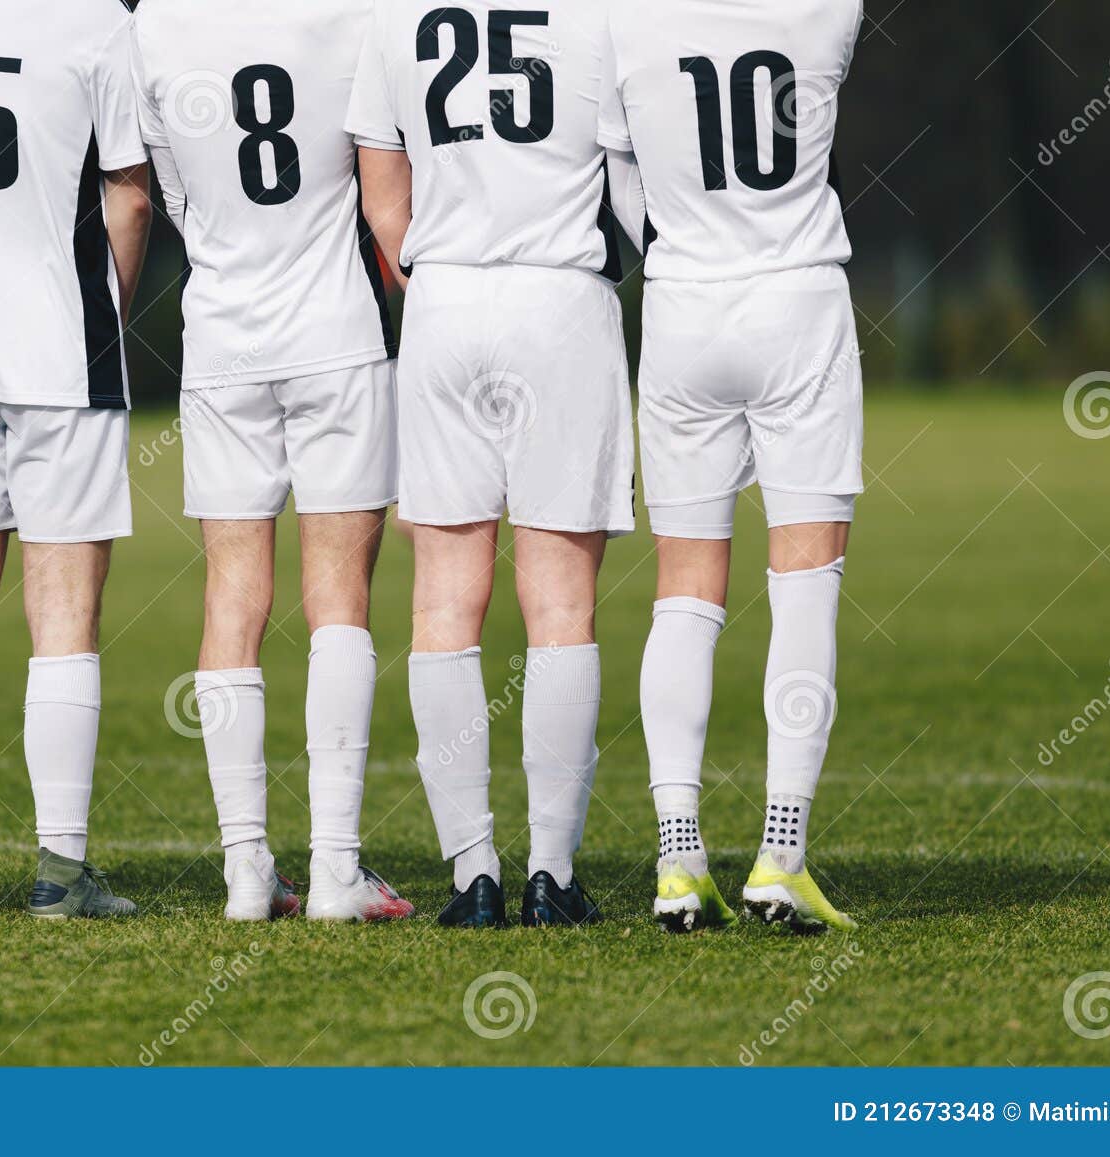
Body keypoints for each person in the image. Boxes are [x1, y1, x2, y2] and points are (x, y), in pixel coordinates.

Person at [350, 0, 634, 927]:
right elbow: (634, 177)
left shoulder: (392, 15)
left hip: (446, 303)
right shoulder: (603, 14)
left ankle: (474, 874)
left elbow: (381, 197)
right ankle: (551, 874)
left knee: (442, 600)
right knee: (559, 605)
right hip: (560, 299)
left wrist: (437, 271)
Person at [132, 0, 414, 923]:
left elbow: (168, 195)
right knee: (340, 600)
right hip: (335, 336)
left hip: (222, 341)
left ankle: (246, 870)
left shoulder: (157, 27)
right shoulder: (355, 16)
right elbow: (385, 180)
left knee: (232, 596)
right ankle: (335, 867)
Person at [601, 0, 865, 931]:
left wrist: (676, 246)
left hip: (683, 310)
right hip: (798, 303)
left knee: (684, 590)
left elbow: (619, 168)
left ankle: (679, 858)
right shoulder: (825, 12)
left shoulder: (624, 21)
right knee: (806, 581)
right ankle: (780, 854)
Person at [0, 0, 153, 920]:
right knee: (65, 616)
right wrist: (106, 319)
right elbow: (129, 191)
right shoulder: (96, 22)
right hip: (64, 355)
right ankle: (60, 868)